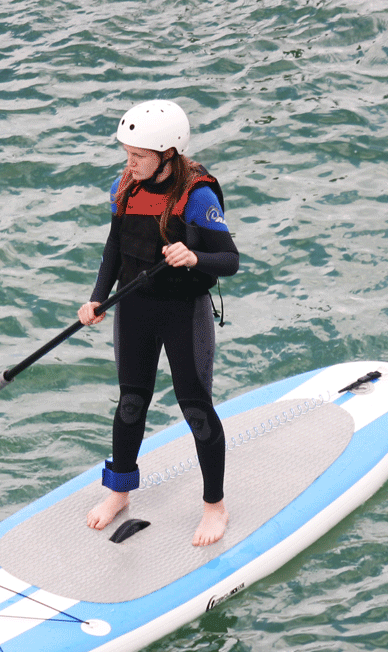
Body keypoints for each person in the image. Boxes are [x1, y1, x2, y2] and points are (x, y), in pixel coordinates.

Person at [77, 100, 240, 547]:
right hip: (134, 310)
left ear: (168, 154)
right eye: (127, 154)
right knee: (131, 405)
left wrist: (194, 255)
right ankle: (120, 491)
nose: (129, 165)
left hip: (182, 313)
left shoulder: (197, 196)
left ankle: (215, 507)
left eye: (139, 157)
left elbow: (230, 259)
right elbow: (114, 248)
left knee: (196, 410)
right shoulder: (124, 188)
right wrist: (96, 298)